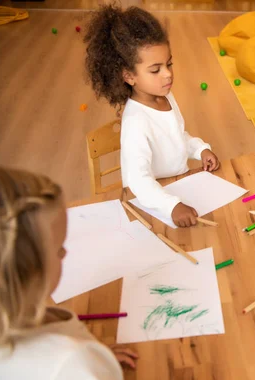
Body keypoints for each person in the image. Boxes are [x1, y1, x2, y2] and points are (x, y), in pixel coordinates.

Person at [0, 164, 210, 380]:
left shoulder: (15, 320)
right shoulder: (68, 368)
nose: (65, 254)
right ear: (21, 276)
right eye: (59, 249)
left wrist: (92, 362)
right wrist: (83, 369)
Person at [84, 5, 219, 228]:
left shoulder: (165, 96)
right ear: (129, 76)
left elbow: (176, 135)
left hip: (176, 186)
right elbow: (139, 181)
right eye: (155, 70)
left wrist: (199, 149)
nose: (167, 74)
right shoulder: (136, 122)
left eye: (169, 64)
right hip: (151, 204)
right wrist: (172, 206)